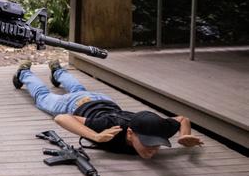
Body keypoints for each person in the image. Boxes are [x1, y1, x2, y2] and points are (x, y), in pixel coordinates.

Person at [12, 60, 203, 159]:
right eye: (147, 144)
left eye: (156, 145)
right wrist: (95, 136)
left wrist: (182, 137)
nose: (153, 149)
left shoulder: (158, 128)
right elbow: (62, 118)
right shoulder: (108, 128)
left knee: (79, 89)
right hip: (75, 104)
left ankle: (58, 70)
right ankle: (24, 73)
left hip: (103, 100)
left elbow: (181, 119)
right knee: (43, 97)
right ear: (130, 133)